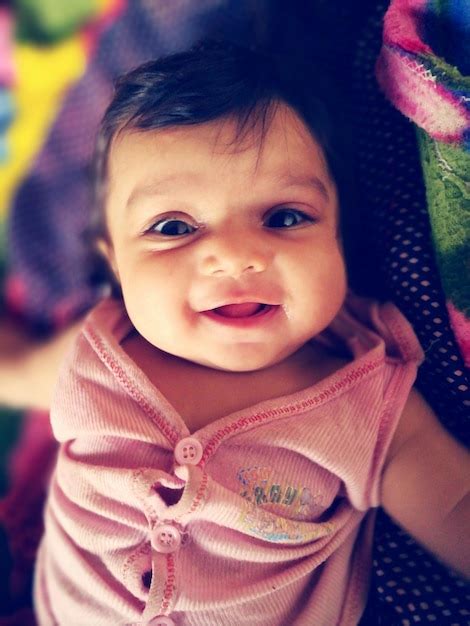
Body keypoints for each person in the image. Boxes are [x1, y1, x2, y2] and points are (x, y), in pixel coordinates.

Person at [33, 40, 469, 626]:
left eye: (285, 217)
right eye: (173, 227)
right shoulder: (100, 348)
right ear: (115, 263)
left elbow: (456, 505)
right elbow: (13, 372)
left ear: (341, 239)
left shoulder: (366, 404)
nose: (235, 257)